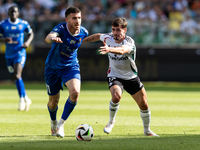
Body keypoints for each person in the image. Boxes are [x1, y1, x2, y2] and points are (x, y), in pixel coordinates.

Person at [83, 17, 159, 136]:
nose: (115, 33)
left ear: (125, 30)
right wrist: (81, 41)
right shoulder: (108, 37)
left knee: (143, 103)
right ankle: (111, 122)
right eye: (113, 30)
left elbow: (123, 50)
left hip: (131, 77)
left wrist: (109, 49)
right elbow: (97, 36)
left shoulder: (129, 42)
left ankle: (147, 130)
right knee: (116, 95)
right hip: (114, 75)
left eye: (118, 30)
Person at [44, 6, 88, 138]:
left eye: (79, 18)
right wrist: (53, 38)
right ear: (67, 20)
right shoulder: (61, 28)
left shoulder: (83, 32)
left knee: (75, 93)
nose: (77, 21)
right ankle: (53, 122)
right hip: (52, 67)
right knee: (53, 102)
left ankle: (61, 124)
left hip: (70, 66)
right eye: (74, 18)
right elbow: (48, 37)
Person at [0, 6, 34, 111]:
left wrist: (27, 42)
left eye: (15, 12)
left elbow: (30, 33)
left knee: (17, 74)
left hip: (20, 53)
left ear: (18, 13)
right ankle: (26, 98)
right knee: (15, 78)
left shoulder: (23, 23)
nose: (13, 13)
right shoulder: (3, 24)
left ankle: (21, 100)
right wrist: (4, 39)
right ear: (8, 13)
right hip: (8, 54)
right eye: (11, 12)